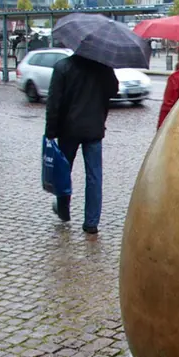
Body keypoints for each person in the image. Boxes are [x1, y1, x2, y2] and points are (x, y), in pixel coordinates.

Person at [45, 54, 118, 235]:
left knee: (63, 171)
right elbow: (113, 90)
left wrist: (50, 131)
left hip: (68, 129)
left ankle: (63, 209)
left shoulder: (63, 67)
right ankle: (91, 222)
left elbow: (54, 101)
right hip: (94, 129)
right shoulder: (103, 67)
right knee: (94, 176)